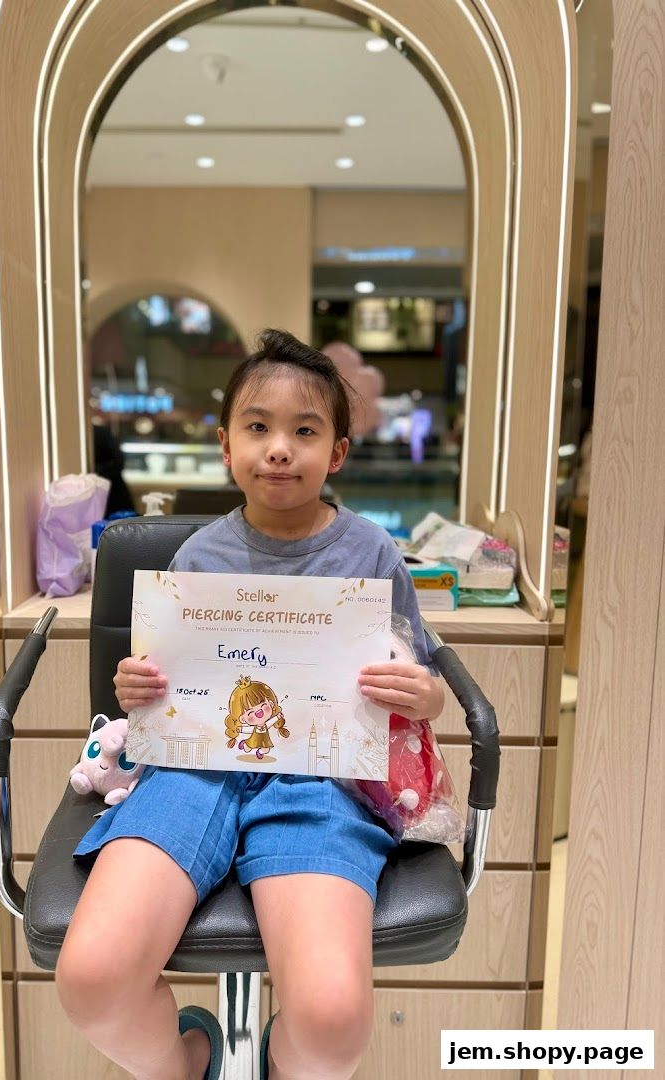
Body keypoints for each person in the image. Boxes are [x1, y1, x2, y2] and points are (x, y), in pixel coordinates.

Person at [56, 329, 445, 1080]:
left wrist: (421, 694)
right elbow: (157, 690)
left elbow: (419, 681)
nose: (279, 448)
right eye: (258, 427)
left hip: (323, 781)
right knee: (92, 980)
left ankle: (277, 1065)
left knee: (333, 1025)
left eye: (305, 431)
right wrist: (136, 690)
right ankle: (187, 1061)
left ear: (336, 452)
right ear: (226, 444)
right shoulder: (198, 555)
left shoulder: (372, 555)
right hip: (194, 772)